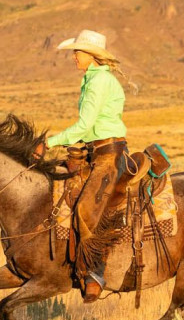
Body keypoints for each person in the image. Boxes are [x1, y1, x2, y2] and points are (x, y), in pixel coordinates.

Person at [31, 29, 129, 301]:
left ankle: (96, 274)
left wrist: (49, 144)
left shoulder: (98, 83)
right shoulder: (92, 79)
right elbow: (88, 129)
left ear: (91, 55)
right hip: (95, 151)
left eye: (78, 52)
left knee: (87, 208)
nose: (74, 56)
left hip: (109, 154)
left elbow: (85, 125)